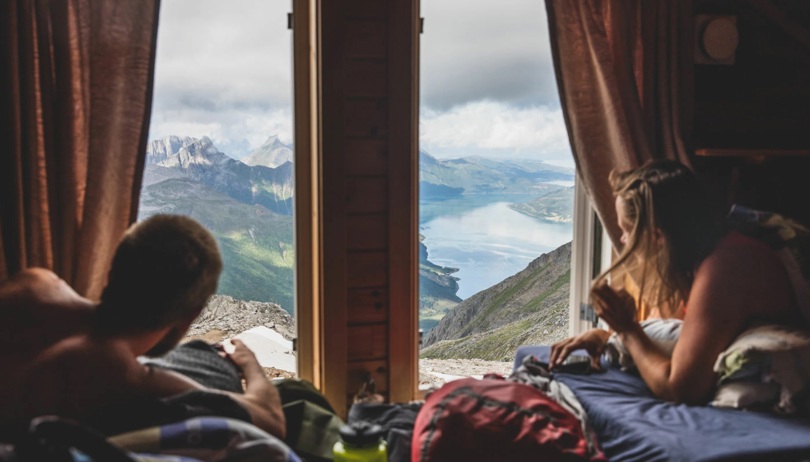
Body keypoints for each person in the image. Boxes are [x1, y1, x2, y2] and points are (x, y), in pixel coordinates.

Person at [0, 215, 285, 439]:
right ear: (191, 315)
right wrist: (249, 364)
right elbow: (270, 420)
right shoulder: (127, 376)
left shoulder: (35, 284)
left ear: (111, 272)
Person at [550, 160, 802, 404]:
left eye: (627, 230)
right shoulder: (707, 256)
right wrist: (606, 337)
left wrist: (627, 330)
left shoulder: (727, 266)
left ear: (657, 235)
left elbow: (680, 389)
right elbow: (685, 340)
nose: (624, 241)